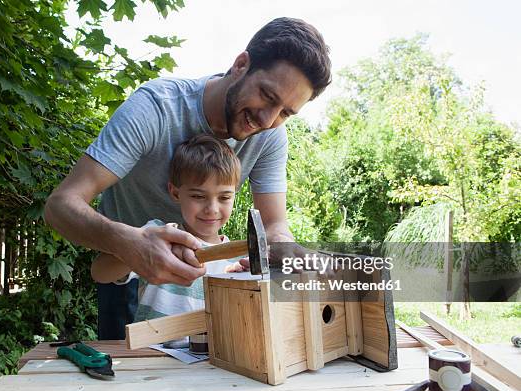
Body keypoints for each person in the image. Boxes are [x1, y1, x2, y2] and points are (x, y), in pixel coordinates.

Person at [44, 17, 332, 339]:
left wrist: (286, 252)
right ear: (241, 65)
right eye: (267, 95)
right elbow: (61, 205)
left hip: (204, 288)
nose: (267, 119)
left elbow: (274, 226)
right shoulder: (156, 108)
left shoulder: (271, 137)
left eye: (285, 113)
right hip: (127, 273)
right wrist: (129, 245)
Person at [91, 135, 243, 322]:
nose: (212, 209)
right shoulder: (157, 236)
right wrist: (137, 251)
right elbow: (100, 273)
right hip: (150, 350)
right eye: (198, 196)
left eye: (224, 197)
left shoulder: (239, 263)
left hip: (209, 352)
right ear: (175, 192)